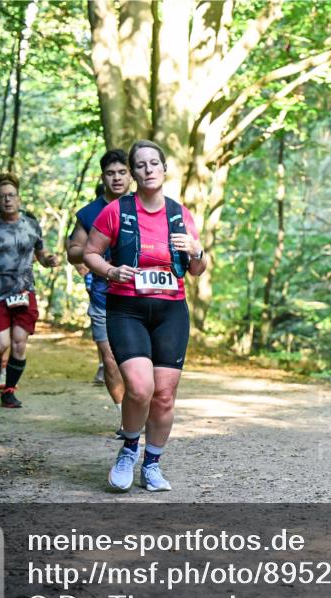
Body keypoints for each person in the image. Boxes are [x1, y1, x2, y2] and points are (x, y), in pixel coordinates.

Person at [83, 140, 207, 492]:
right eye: (141, 164)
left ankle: (152, 465)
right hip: (127, 309)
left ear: (165, 169)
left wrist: (198, 250)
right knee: (139, 389)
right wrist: (110, 271)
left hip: (171, 311)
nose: (149, 169)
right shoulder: (116, 211)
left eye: (155, 163)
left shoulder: (180, 215)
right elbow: (90, 253)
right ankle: (128, 450)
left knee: (164, 395)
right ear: (134, 172)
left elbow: (197, 268)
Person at [0, 173, 60, 408]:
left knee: (19, 342)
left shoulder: (31, 224)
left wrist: (48, 259)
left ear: (19, 199)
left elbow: (40, 252)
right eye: (2, 196)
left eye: (11, 195)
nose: (7, 200)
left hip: (24, 291)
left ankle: (9, 391)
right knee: (1, 344)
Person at [67, 150, 130, 418]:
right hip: (103, 297)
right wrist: (93, 252)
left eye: (122, 172)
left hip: (140, 298)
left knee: (138, 362)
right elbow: (73, 251)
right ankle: (124, 414)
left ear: (131, 175)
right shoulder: (90, 213)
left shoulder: (145, 206)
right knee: (111, 360)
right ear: (102, 177)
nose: (116, 178)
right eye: (110, 173)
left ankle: (137, 409)